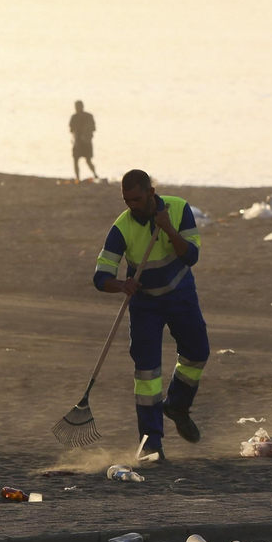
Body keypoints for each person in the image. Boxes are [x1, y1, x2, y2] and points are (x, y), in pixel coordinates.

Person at [92, 169, 209, 459]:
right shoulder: (122, 227)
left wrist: (168, 228)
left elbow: (191, 256)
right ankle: (151, 443)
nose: (132, 205)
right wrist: (121, 284)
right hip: (145, 305)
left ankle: (177, 407)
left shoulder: (179, 209)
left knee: (197, 354)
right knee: (146, 374)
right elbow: (100, 275)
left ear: (151, 193)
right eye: (127, 200)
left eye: (138, 199)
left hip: (181, 296)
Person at [70, 101, 98, 182]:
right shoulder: (74, 117)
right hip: (78, 142)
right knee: (76, 160)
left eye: (78, 106)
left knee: (88, 160)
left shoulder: (88, 116)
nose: (77, 108)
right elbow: (72, 130)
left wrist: (85, 135)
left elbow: (93, 128)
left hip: (86, 142)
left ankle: (95, 174)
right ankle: (78, 178)